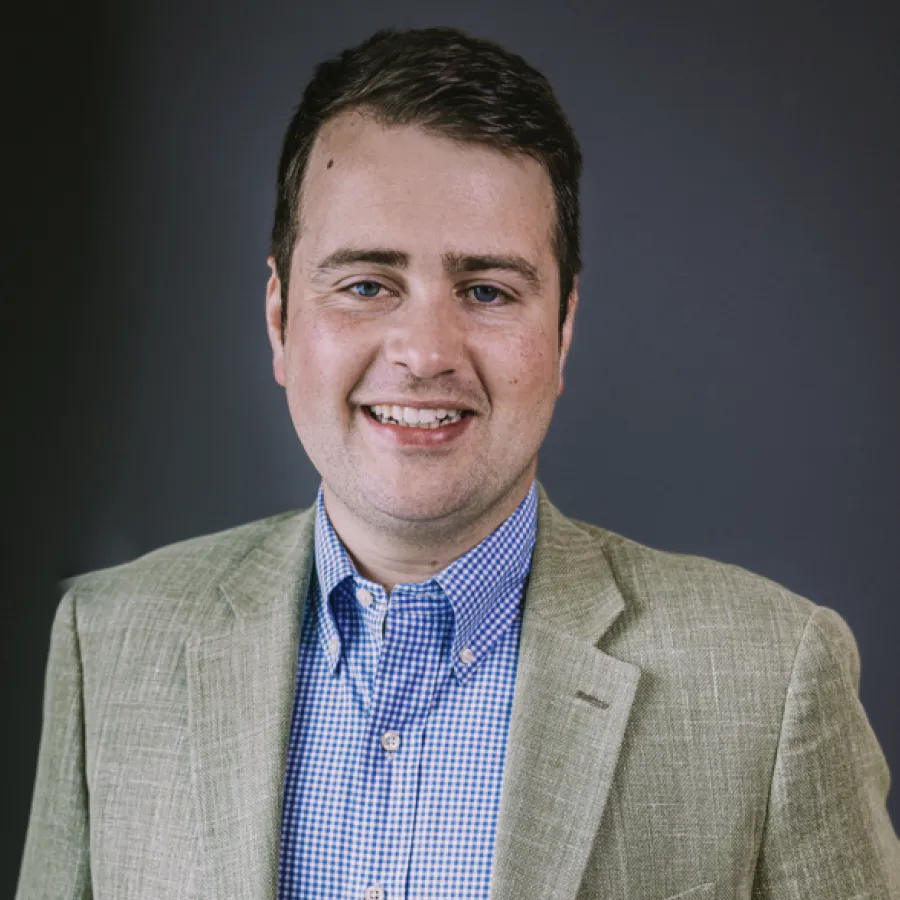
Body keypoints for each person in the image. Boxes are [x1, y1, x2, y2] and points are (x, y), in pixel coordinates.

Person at [17, 26, 899, 900]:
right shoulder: (107, 643)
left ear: (563, 329)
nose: (426, 352)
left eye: (486, 291)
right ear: (281, 319)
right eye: (367, 285)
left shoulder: (771, 680)